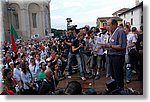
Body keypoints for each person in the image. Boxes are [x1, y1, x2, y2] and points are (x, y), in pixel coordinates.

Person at [102, 19, 127, 89]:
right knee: (113, 75)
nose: (107, 27)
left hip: (117, 57)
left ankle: (120, 90)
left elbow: (122, 46)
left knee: (118, 75)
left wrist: (109, 46)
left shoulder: (120, 31)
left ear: (114, 25)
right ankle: (115, 90)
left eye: (108, 25)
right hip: (111, 56)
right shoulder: (111, 33)